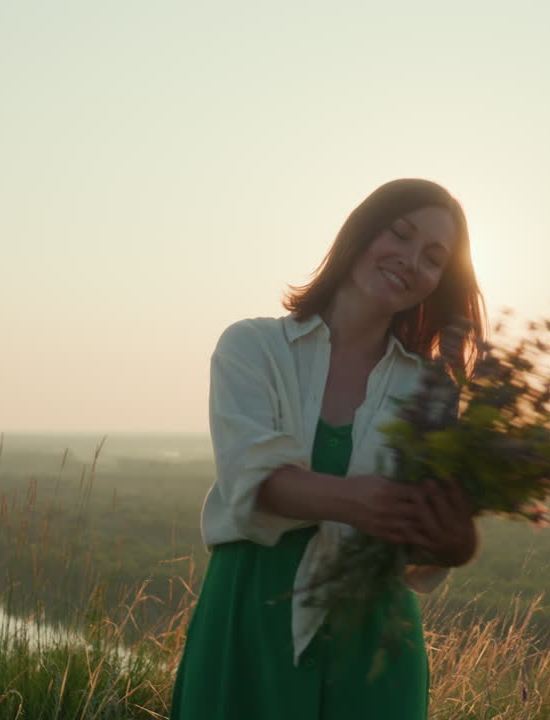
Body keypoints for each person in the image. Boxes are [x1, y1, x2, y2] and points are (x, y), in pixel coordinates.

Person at [171, 179, 487, 720]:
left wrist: (454, 541)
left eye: (433, 258)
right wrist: (361, 502)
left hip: (373, 643)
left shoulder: (431, 391)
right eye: (400, 234)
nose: (411, 260)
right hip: (251, 620)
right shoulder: (254, 348)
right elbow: (254, 476)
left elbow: (418, 544)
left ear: (438, 282)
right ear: (361, 232)